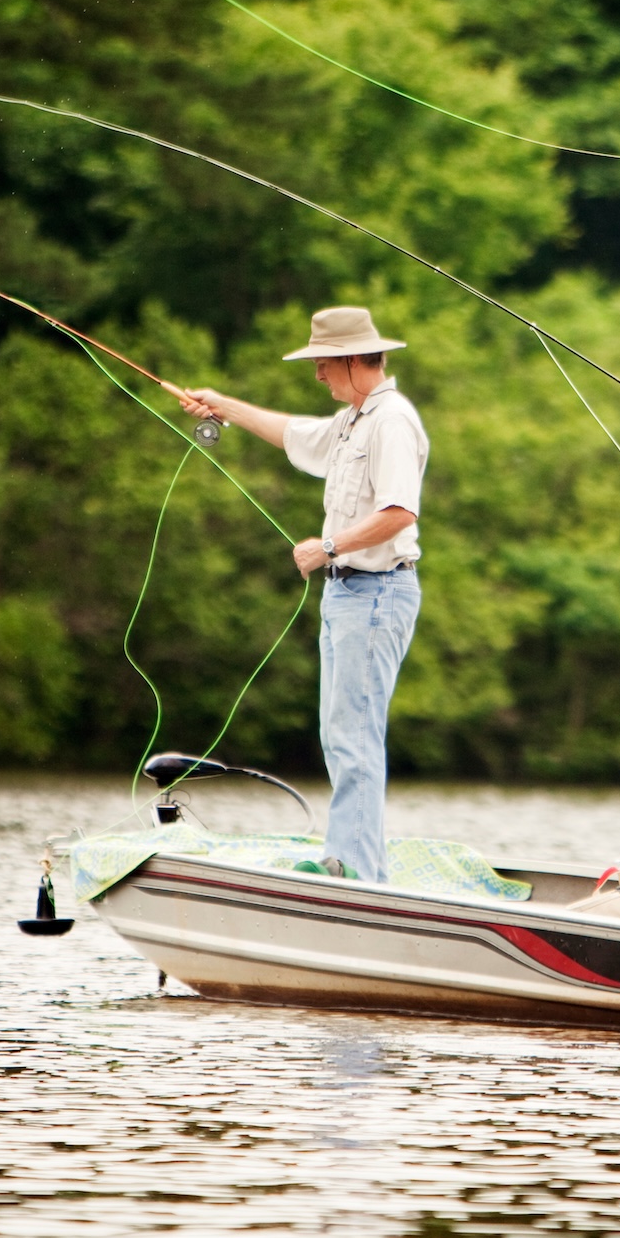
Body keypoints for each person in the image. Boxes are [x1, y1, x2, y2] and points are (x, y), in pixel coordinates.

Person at [166, 306, 427, 885]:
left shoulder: (391, 421)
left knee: (354, 736)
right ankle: (353, 861)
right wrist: (222, 405)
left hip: (377, 593)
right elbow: (289, 432)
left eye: (324, 364)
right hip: (346, 597)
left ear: (356, 360)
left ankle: (354, 872)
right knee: (340, 734)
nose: (317, 375)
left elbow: (399, 512)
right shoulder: (353, 419)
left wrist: (327, 546)